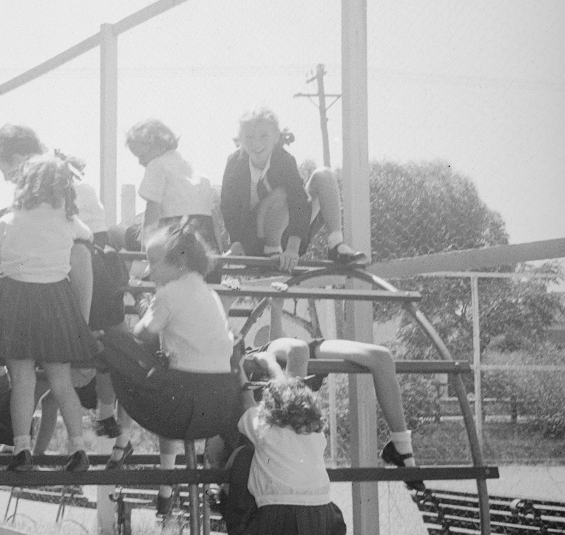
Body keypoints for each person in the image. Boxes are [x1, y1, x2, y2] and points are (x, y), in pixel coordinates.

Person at [100, 224, 247, 514]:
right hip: (220, 408)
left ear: (178, 262)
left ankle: (111, 420)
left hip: (182, 408)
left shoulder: (169, 294)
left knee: (113, 341)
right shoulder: (211, 294)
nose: (148, 270)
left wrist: (143, 303)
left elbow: (142, 333)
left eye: (154, 262)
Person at [0, 156, 101, 471]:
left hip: (16, 301)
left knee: (21, 380)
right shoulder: (68, 221)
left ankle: (21, 450)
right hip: (55, 302)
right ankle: (78, 449)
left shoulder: (7, 221)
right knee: (60, 380)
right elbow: (87, 236)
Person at [213, 377, 347, 535]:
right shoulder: (316, 433)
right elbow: (291, 393)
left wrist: (243, 374)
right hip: (321, 527)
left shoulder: (264, 427)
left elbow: (247, 404)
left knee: (245, 456)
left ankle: (219, 494)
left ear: (270, 405)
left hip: (275, 526)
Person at [219, 106, 366, 274]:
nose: (256, 143)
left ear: (275, 138)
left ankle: (336, 244)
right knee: (280, 194)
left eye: (263, 136)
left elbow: (300, 202)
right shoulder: (235, 163)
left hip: (288, 236)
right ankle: (271, 250)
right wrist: (237, 242)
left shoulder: (284, 160)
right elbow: (228, 206)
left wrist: (293, 249)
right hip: (255, 239)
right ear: (241, 140)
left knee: (323, 175)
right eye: (249, 137)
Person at [243, 336, 417, 467]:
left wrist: (276, 305)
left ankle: (402, 447)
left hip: (284, 353)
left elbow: (277, 339)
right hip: (279, 364)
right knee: (298, 349)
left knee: (382, 356)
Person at [125, 118, 218, 252]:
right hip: (204, 235)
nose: (140, 162)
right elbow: (213, 215)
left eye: (142, 155)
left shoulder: (157, 165)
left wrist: (145, 248)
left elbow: (152, 209)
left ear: (160, 146)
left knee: (123, 233)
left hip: (175, 232)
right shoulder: (193, 171)